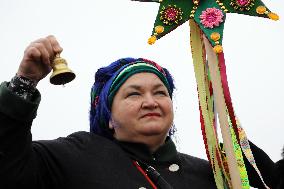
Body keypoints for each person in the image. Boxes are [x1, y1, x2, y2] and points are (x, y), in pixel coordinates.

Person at [0, 35, 281, 189]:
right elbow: (10, 166)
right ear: (108, 116)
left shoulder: (210, 174)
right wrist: (23, 84)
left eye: (160, 93)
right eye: (134, 94)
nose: (151, 101)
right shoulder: (74, 155)